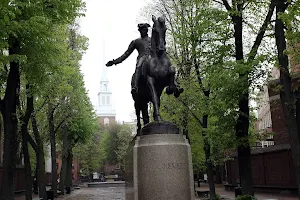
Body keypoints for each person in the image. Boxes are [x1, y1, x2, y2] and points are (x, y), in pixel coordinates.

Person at [106, 23, 151, 95]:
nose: (143, 31)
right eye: (141, 30)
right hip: (142, 58)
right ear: (139, 30)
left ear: (147, 30)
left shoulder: (152, 40)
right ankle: (135, 86)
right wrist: (114, 62)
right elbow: (126, 54)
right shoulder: (136, 42)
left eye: (144, 29)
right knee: (138, 66)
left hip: (152, 58)